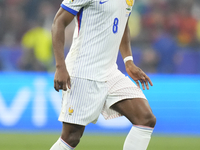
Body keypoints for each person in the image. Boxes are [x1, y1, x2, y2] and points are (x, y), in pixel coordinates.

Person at [50, 0, 156, 150]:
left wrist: (128, 61)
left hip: (110, 72)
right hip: (83, 71)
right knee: (71, 137)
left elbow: (122, 24)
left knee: (146, 118)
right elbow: (58, 22)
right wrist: (61, 66)